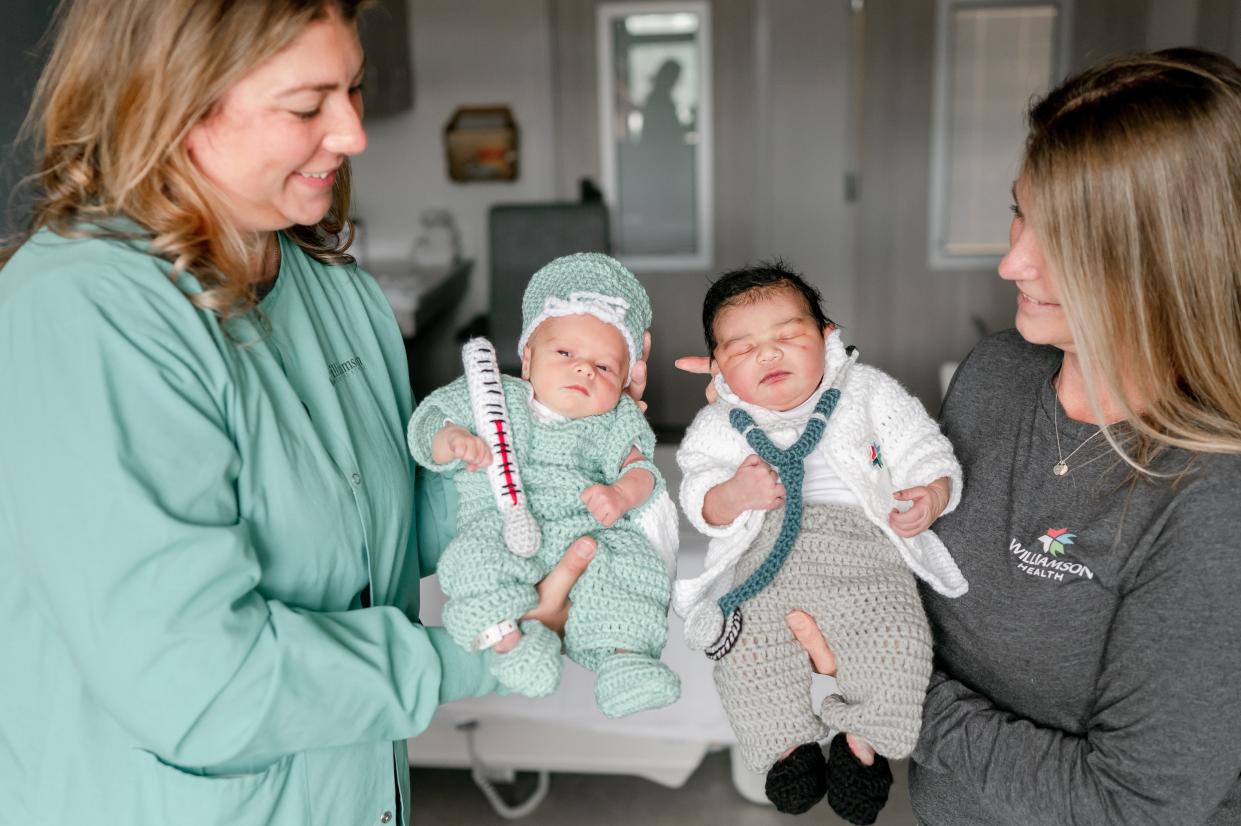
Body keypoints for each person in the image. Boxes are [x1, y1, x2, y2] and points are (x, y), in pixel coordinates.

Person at [0, 2, 638, 824]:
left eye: (353, 91)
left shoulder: (331, 288)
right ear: (168, 101)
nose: (350, 133)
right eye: (306, 105)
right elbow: (199, 683)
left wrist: (546, 460)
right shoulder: (86, 315)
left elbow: (374, 540)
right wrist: (489, 651)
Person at [682, 48, 1241, 825]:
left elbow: (1135, 803)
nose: (1011, 261)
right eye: (1019, 212)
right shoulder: (999, 373)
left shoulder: (1214, 498)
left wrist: (888, 687)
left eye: (1065, 238)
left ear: (1170, 260)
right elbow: (900, 540)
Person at [673, 263, 966, 823]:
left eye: (787, 336)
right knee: (745, 653)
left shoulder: (866, 391)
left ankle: (863, 745)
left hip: (864, 556)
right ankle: (788, 747)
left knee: (899, 638)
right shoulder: (723, 422)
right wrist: (733, 494)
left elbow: (923, 446)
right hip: (766, 560)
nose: (768, 355)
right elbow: (698, 496)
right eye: (743, 348)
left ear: (827, 334)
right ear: (718, 368)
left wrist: (930, 493)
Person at [407, 253, 681, 718]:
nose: (584, 371)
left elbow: (645, 475)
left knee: (633, 568)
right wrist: (449, 440)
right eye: (566, 353)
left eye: (605, 367)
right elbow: (429, 419)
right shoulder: (494, 397)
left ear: (623, 381)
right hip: (501, 524)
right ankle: (511, 642)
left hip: (585, 531)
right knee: (473, 561)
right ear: (527, 358)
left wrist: (620, 495)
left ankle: (626, 660)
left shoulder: (613, 421)